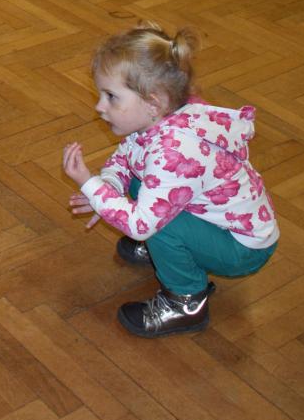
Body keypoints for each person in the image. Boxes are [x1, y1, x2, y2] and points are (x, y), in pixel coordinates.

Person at [61, 23, 279, 338]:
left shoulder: (173, 152)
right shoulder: (163, 118)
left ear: (153, 103)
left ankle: (185, 301)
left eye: (111, 97)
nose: (99, 107)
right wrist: (107, 187)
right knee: (139, 187)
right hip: (223, 225)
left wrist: (88, 183)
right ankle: (169, 252)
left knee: (158, 224)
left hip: (241, 248)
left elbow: (141, 225)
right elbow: (126, 158)